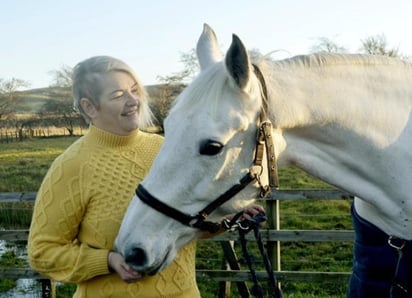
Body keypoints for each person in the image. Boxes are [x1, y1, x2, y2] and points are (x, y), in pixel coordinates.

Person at [28, 55, 265, 298]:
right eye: (118, 95)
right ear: (90, 107)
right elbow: (42, 252)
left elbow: (182, 224)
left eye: (134, 90)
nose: (134, 101)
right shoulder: (71, 166)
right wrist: (106, 261)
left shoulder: (166, 149)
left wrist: (228, 217)